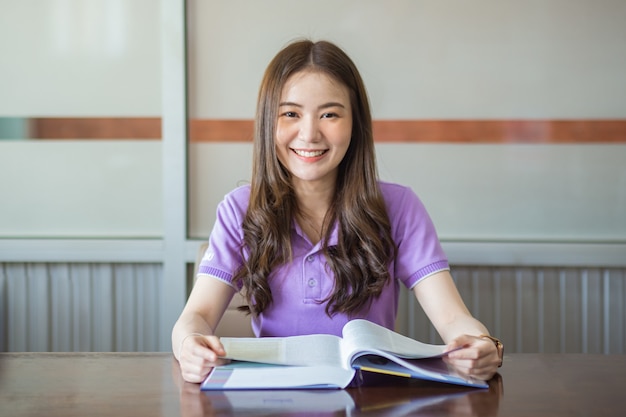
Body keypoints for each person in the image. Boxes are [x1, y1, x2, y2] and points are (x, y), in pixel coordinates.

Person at [172, 39, 503, 384]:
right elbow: (195, 317)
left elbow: (453, 319)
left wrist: (480, 345)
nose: (309, 134)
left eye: (329, 114)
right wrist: (189, 346)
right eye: (291, 114)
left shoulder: (399, 207)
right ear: (268, 122)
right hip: (273, 398)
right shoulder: (240, 209)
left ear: (355, 123)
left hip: (371, 399)